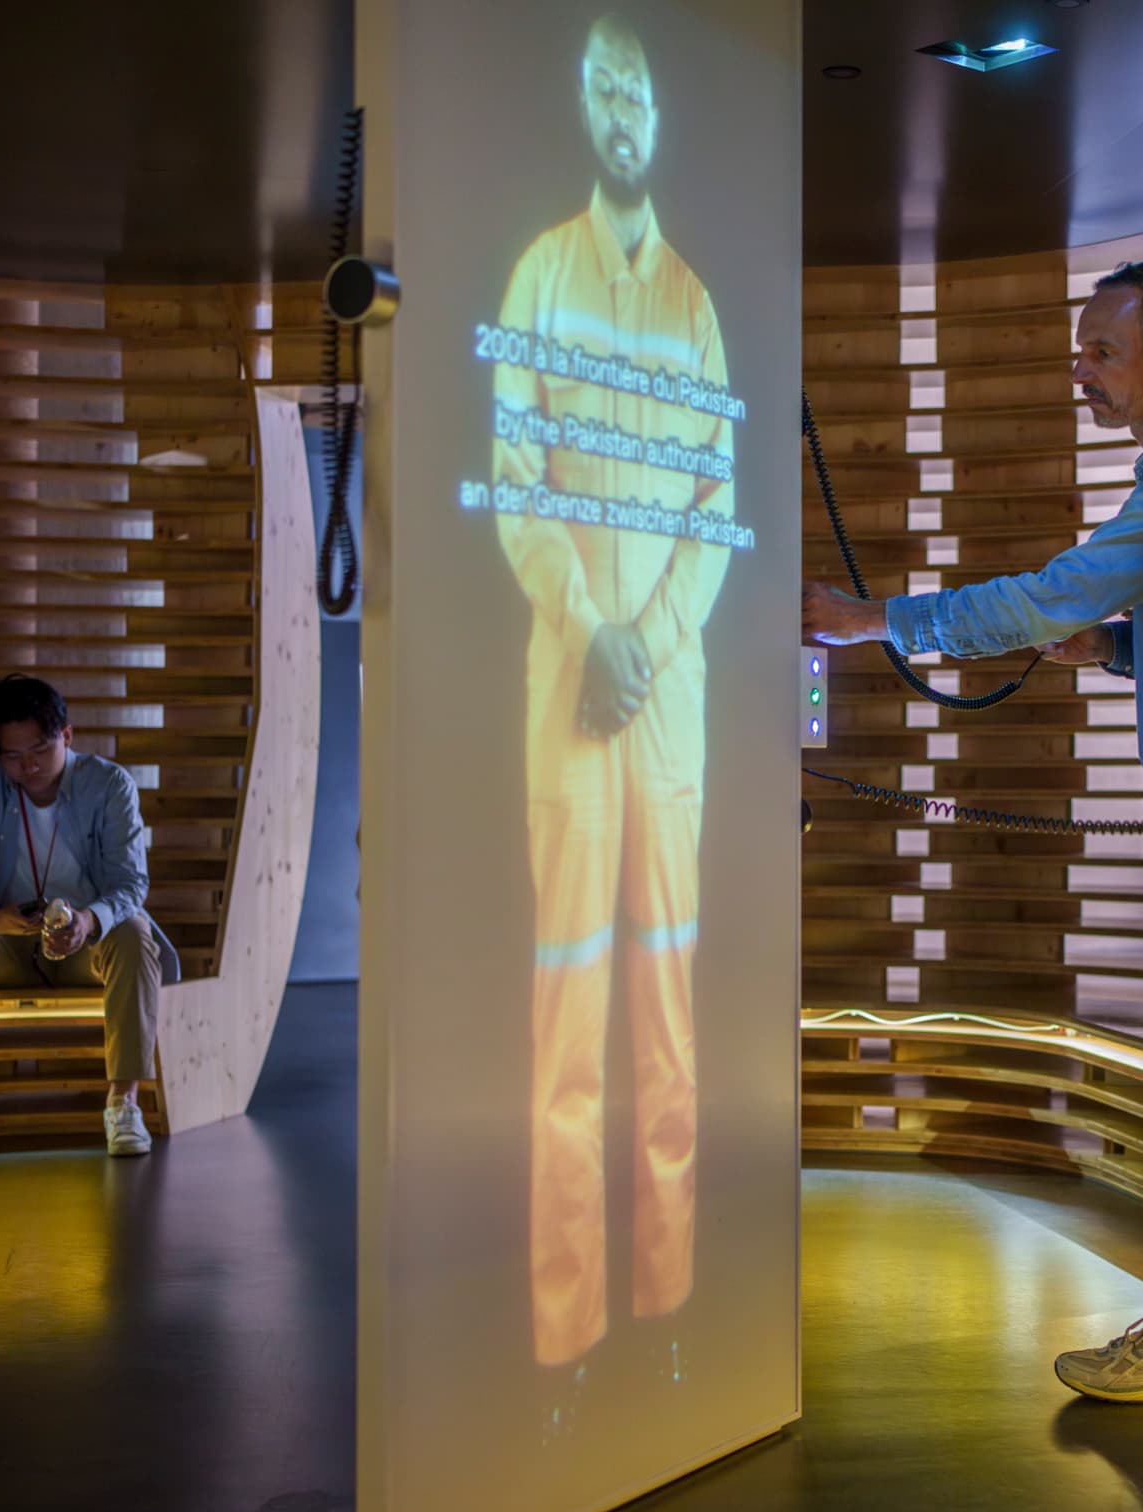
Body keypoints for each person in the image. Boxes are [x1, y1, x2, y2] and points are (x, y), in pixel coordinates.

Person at [803, 257, 1143, 1403]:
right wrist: (1112, 649)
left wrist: (873, 621)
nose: (1079, 370)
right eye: (1079, 349)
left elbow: (1047, 592)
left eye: (1100, 351)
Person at [492, 14, 733, 1367]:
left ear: (658, 112)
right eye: (603, 90)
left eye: (638, 88)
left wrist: (646, 636)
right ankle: (568, 1329)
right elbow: (519, 482)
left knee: (670, 1018)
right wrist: (595, 632)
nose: (622, 110)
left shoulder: (695, 299)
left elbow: (716, 500)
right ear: (584, 111)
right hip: (574, 699)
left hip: (667, 698)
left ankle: (673, 1306)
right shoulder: (538, 275)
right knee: (567, 1026)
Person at [0, 674, 177, 1163]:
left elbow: (130, 884)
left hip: (88, 940)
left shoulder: (109, 783)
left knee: (135, 934)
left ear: (67, 735)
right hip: (7, 940)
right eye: (12, 755)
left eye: (40, 748)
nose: (29, 765)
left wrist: (88, 919)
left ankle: (123, 1103)